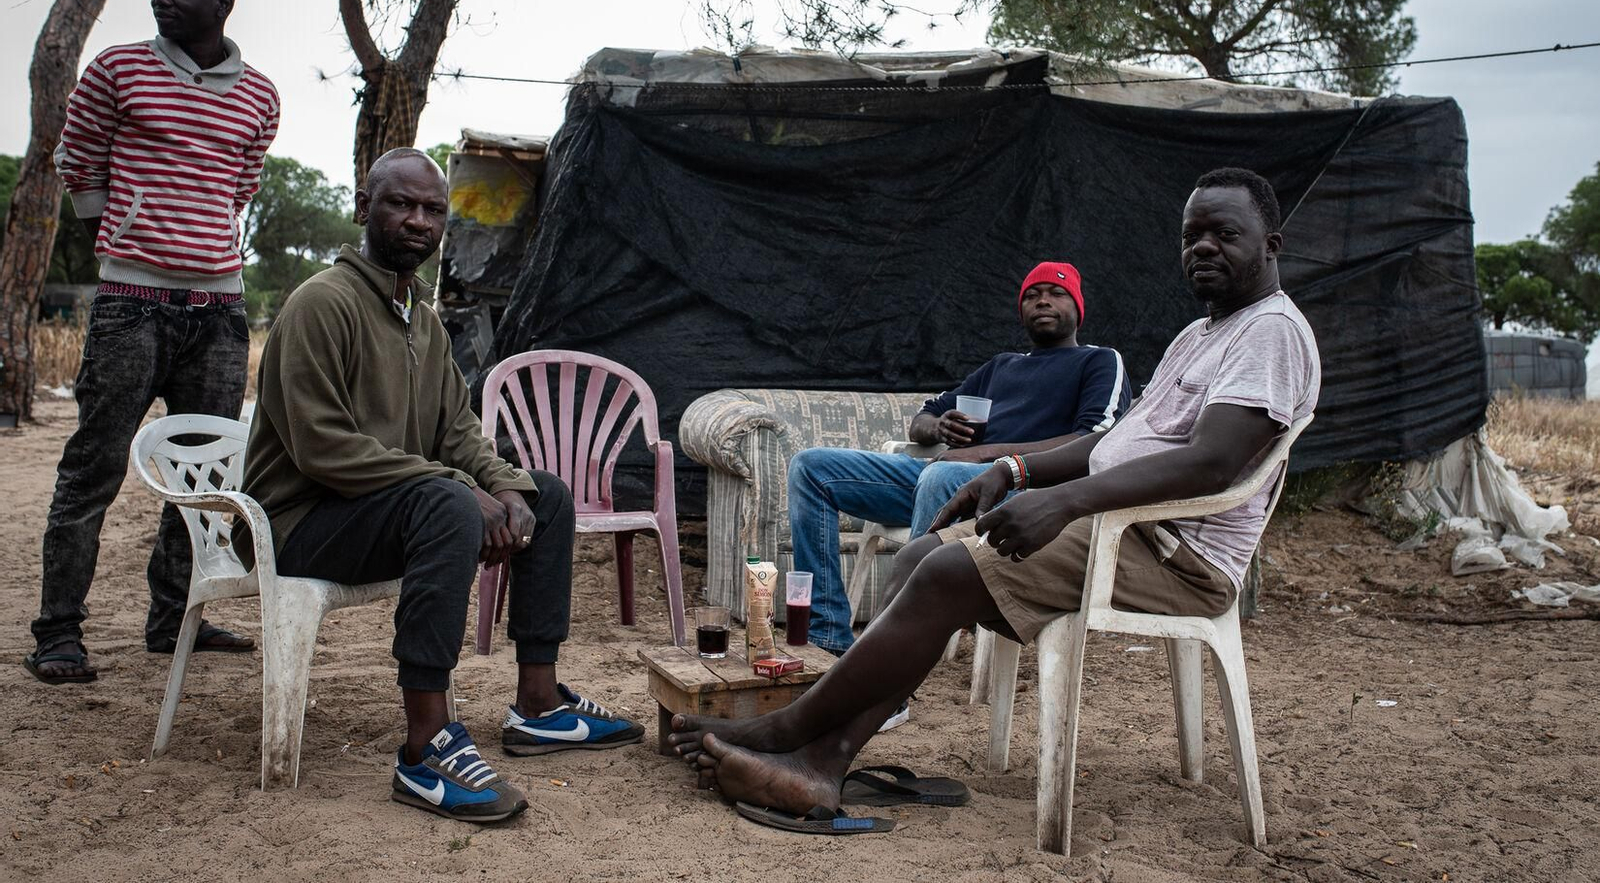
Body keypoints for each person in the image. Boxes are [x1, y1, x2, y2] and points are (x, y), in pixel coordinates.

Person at [668, 167, 1320, 825]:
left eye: (1223, 233)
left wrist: (1067, 501)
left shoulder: (1271, 332)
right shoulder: (1198, 336)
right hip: (1125, 530)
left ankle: (786, 735)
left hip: (1175, 554)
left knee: (948, 570)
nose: (1202, 247)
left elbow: (1212, 462)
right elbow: (1115, 443)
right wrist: (1012, 468)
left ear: (1271, 243)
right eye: (1192, 235)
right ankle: (823, 757)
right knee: (919, 557)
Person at [243, 148, 643, 824]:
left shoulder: (421, 323)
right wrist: (465, 489)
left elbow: (458, 431)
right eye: (401, 203)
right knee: (447, 499)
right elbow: (324, 449)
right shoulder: (321, 304)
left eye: (433, 209)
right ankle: (425, 746)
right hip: (298, 524)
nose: (418, 220)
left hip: (373, 513)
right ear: (363, 207)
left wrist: (508, 490)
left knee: (546, 493)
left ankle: (539, 705)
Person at [26, 0, 280, 685]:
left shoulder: (260, 94)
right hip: (130, 306)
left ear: (222, 1)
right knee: (94, 465)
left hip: (219, 310)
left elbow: (243, 182)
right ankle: (58, 633)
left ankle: (176, 619)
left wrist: (198, 251)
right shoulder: (117, 68)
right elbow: (79, 160)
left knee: (206, 472)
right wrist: (125, 242)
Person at [788, 261, 1129, 658]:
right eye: (1032, 295)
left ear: (1078, 308)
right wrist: (939, 428)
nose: (1043, 301)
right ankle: (827, 637)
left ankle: (886, 658)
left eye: (1057, 293)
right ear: (1020, 310)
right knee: (811, 467)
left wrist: (984, 454)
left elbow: (1096, 439)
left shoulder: (1099, 360)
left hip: (1019, 492)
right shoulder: (1002, 366)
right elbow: (924, 417)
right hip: (945, 480)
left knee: (946, 472)